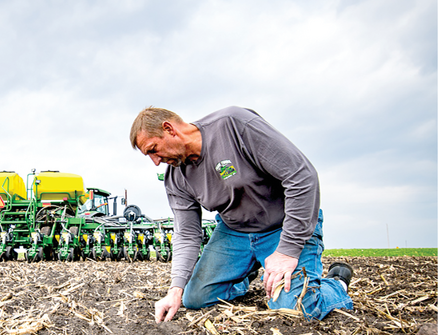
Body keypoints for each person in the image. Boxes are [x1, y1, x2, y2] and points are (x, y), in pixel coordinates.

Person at [129, 106, 354, 323]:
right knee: (195, 298)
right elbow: (187, 233)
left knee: (297, 308)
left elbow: (301, 176)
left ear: (169, 129)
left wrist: (287, 251)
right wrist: (175, 289)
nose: (156, 161)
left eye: (153, 149)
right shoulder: (176, 177)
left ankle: (336, 282)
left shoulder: (234, 125)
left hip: (283, 227)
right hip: (235, 232)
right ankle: (244, 272)